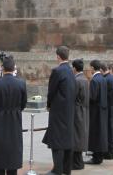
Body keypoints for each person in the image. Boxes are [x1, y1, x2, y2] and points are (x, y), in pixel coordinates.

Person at [0, 55, 27, 175]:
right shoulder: (21, 83)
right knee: (13, 148)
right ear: (14, 68)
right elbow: (23, 104)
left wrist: (0, 110)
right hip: (14, 119)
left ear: (2, 68)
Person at [42, 46, 76, 175]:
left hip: (58, 110)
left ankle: (58, 169)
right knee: (67, 140)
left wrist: (49, 104)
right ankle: (66, 170)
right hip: (69, 110)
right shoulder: (71, 71)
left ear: (58, 57)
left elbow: (51, 91)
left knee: (57, 141)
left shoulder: (57, 71)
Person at [86, 59, 108, 165]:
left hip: (95, 110)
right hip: (102, 109)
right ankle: (99, 155)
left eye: (90, 67)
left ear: (93, 68)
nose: (89, 69)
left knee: (95, 133)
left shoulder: (95, 80)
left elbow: (92, 97)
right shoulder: (103, 78)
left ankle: (96, 157)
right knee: (101, 133)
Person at [71, 59, 89, 171]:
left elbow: (73, 96)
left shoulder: (77, 80)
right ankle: (78, 161)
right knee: (80, 135)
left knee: (77, 136)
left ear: (74, 68)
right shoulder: (85, 79)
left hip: (77, 111)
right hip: (83, 110)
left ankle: (77, 163)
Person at [100, 62, 113, 160]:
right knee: (111, 130)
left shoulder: (106, 79)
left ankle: (109, 153)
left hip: (108, 108)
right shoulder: (112, 77)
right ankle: (112, 152)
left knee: (108, 131)